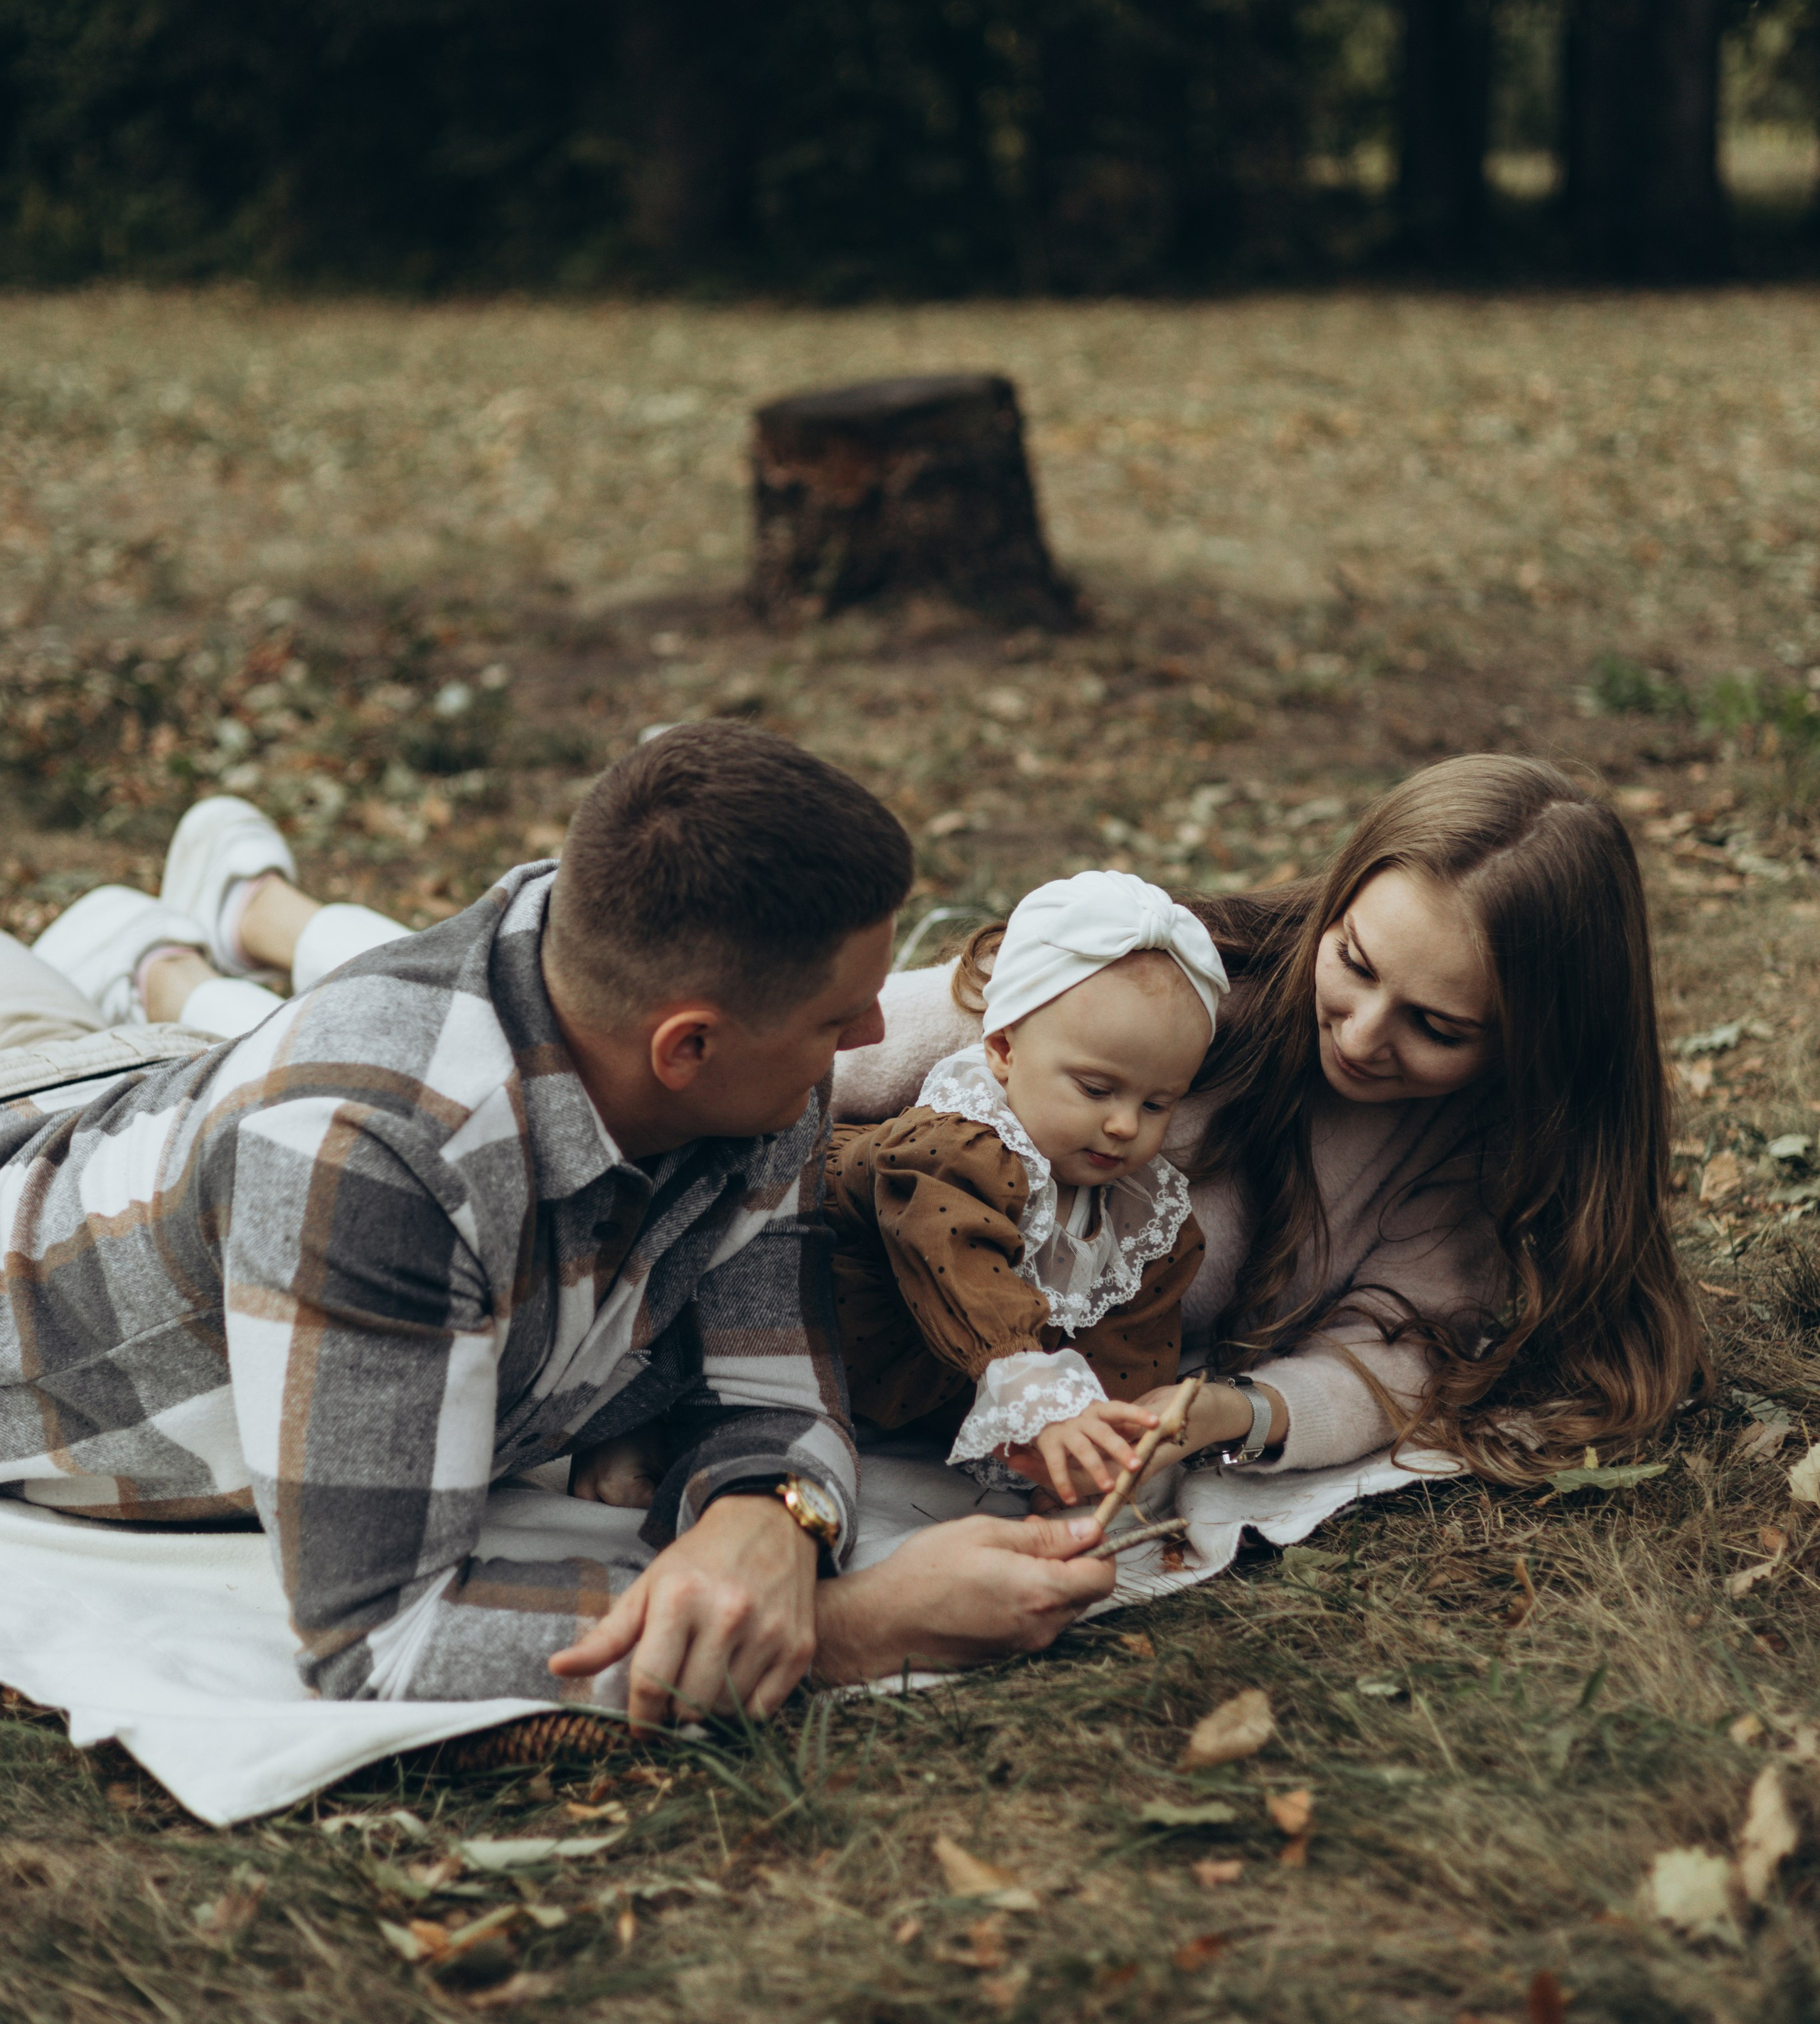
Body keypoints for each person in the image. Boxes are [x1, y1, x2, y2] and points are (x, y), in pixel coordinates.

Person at [0, 750, 1120, 1708]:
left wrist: (769, 1516)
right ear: (687, 1047)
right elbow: (380, 1640)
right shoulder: (369, 1164)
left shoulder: (732, 1049)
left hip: (167, 1099)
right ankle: (148, 951)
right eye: (842, 1017)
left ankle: (155, 958)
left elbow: (773, 1380)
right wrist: (845, 1630)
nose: (873, 1033)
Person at [831, 756, 1700, 1488]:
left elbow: (1399, 1349)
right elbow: (820, 1053)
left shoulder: (1468, 1151)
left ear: (1529, 1047)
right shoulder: (1162, 990)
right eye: (1353, 961)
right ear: (1334, 904)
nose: (1360, 1036)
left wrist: (1237, 1412)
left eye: (1436, 1027)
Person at [823, 871, 1222, 1508]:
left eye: (1156, 1103)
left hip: (915, 1399)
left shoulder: (1143, 1214)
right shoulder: (952, 1148)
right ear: (1005, 1049)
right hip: (805, 1332)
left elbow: (1132, 1345)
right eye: (1096, 1089)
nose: (1124, 1125)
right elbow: (956, 1256)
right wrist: (1035, 1385)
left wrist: (1099, 1446)